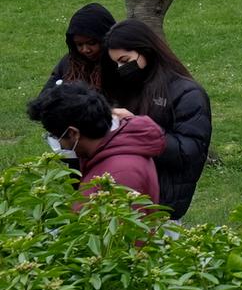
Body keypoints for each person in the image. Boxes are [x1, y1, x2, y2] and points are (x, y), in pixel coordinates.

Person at [98, 19, 211, 221]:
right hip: (121, 198)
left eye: (125, 60)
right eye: (116, 63)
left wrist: (138, 127)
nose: (121, 68)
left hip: (161, 206)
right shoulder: (125, 86)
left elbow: (189, 152)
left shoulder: (187, 93)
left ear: (145, 50)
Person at [30, 83, 165, 211]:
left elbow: (119, 226)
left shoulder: (121, 174)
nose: (55, 141)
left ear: (73, 133)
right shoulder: (104, 152)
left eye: (54, 135)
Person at [47, 3, 115, 93]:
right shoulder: (69, 63)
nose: (85, 50)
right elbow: (46, 96)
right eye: (79, 44)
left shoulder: (118, 63)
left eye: (91, 43)